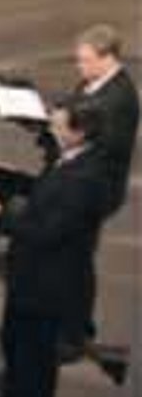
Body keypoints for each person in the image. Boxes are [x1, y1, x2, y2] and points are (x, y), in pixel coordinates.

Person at [0, 102, 112, 397]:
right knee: (16, 349)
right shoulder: (68, 160)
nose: (50, 131)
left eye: (56, 126)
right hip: (30, 280)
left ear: (78, 133)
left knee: (34, 364)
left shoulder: (85, 179)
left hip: (48, 287)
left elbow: (47, 232)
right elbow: (44, 196)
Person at [43, 25, 139, 359]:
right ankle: (71, 321)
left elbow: (103, 148)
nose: (78, 67)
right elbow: (76, 111)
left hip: (94, 189)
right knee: (70, 257)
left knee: (77, 260)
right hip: (78, 178)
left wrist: (64, 137)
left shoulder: (120, 99)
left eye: (84, 60)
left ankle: (73, 334)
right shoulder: (92, 81)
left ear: (107, 58)